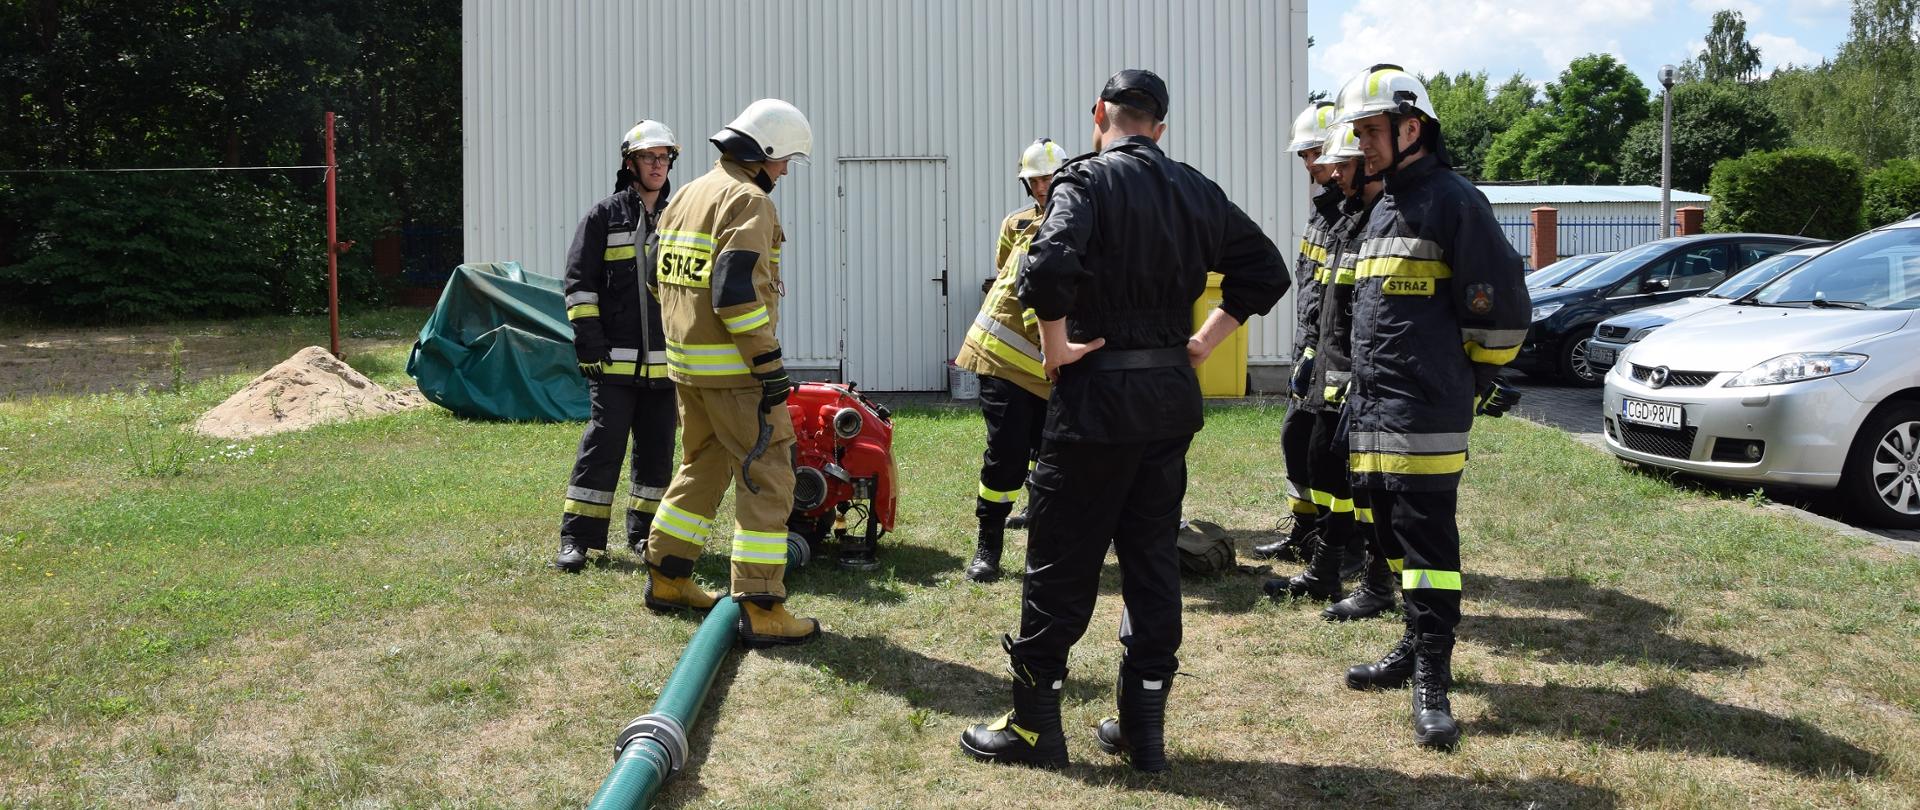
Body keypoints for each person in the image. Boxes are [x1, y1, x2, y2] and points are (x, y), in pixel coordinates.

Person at [958, 69, 1289, 773]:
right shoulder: (1197, 189)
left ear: (1100, 115)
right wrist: (1201, 342)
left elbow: (1045, 267)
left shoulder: (1084, 182)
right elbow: (1266, 270)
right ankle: (1143, 732)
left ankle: (1032, 728)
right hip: (1167, 405)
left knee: (1060, 561)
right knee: (1150, 561)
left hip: (1096, 404)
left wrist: (1054, 347)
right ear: (1159, 127)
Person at [1332, 66, 1527, 749]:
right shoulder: (1382, 207)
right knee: (1387, 536)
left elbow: (1500, 311)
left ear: (1413, 128)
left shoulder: (1455, 202)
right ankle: (1413, 647)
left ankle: (1433, 679)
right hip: (1375, 409)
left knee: (1429, 548)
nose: (1363, 144)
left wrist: (1472, 378)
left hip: (1427, 411)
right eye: (1358, 132)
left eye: (1372, 131)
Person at [638, 99, 823, 648]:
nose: (786, 170)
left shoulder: (686, 195)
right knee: (767, 476)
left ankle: (667, 577)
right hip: (739, 376)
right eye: (784, 159)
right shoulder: (748, 202)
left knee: (703, 466)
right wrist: (769, 369)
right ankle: (763, 606)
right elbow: (736, 295)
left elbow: (655, 276)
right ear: (762, 154)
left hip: (689, 372)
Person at [554, 120, 680, 573]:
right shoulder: (603, 216)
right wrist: (589, 343)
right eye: (649, 157)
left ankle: (646, 535)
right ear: (630, 163)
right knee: (603, 444)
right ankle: (578, 540)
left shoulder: (680, 215)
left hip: (666, 366)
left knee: (657, 451)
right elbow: (579, 284)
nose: (658, 165)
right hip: (612, 364)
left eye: (664, 158)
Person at [955, 138, 1065, 582]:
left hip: (1051, 364)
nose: (1041, 187)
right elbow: (1015, 279)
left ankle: (1044, 531)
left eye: (1049, 178)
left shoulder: (1077, 223)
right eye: (1034, 180)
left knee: (1050, 453)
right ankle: (989, 547)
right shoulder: (1019, 226)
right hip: (1005, 357)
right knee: (1007, 455)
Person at [1303, 120, 1396, 622]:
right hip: (1333, 371)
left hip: (1368, 380)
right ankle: (1326, 567)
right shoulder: (1349, 219)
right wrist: (1311, 359)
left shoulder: (1387, 220)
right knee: (1325, 468)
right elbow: (1329, 307)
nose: (1331, 172)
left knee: (1369, 487)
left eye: (1343, 164)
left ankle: (1376, 584)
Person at [1252, 101, 1344, 564]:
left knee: (1328, 451)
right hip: (1310, 348)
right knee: (1296, 438)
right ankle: (1305, 531)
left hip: (1337, 356)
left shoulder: (1358, 213)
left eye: (1315, 153)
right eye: (1304, 155)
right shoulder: (1324, 211)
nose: (1308, 164)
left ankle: (1338, 542)